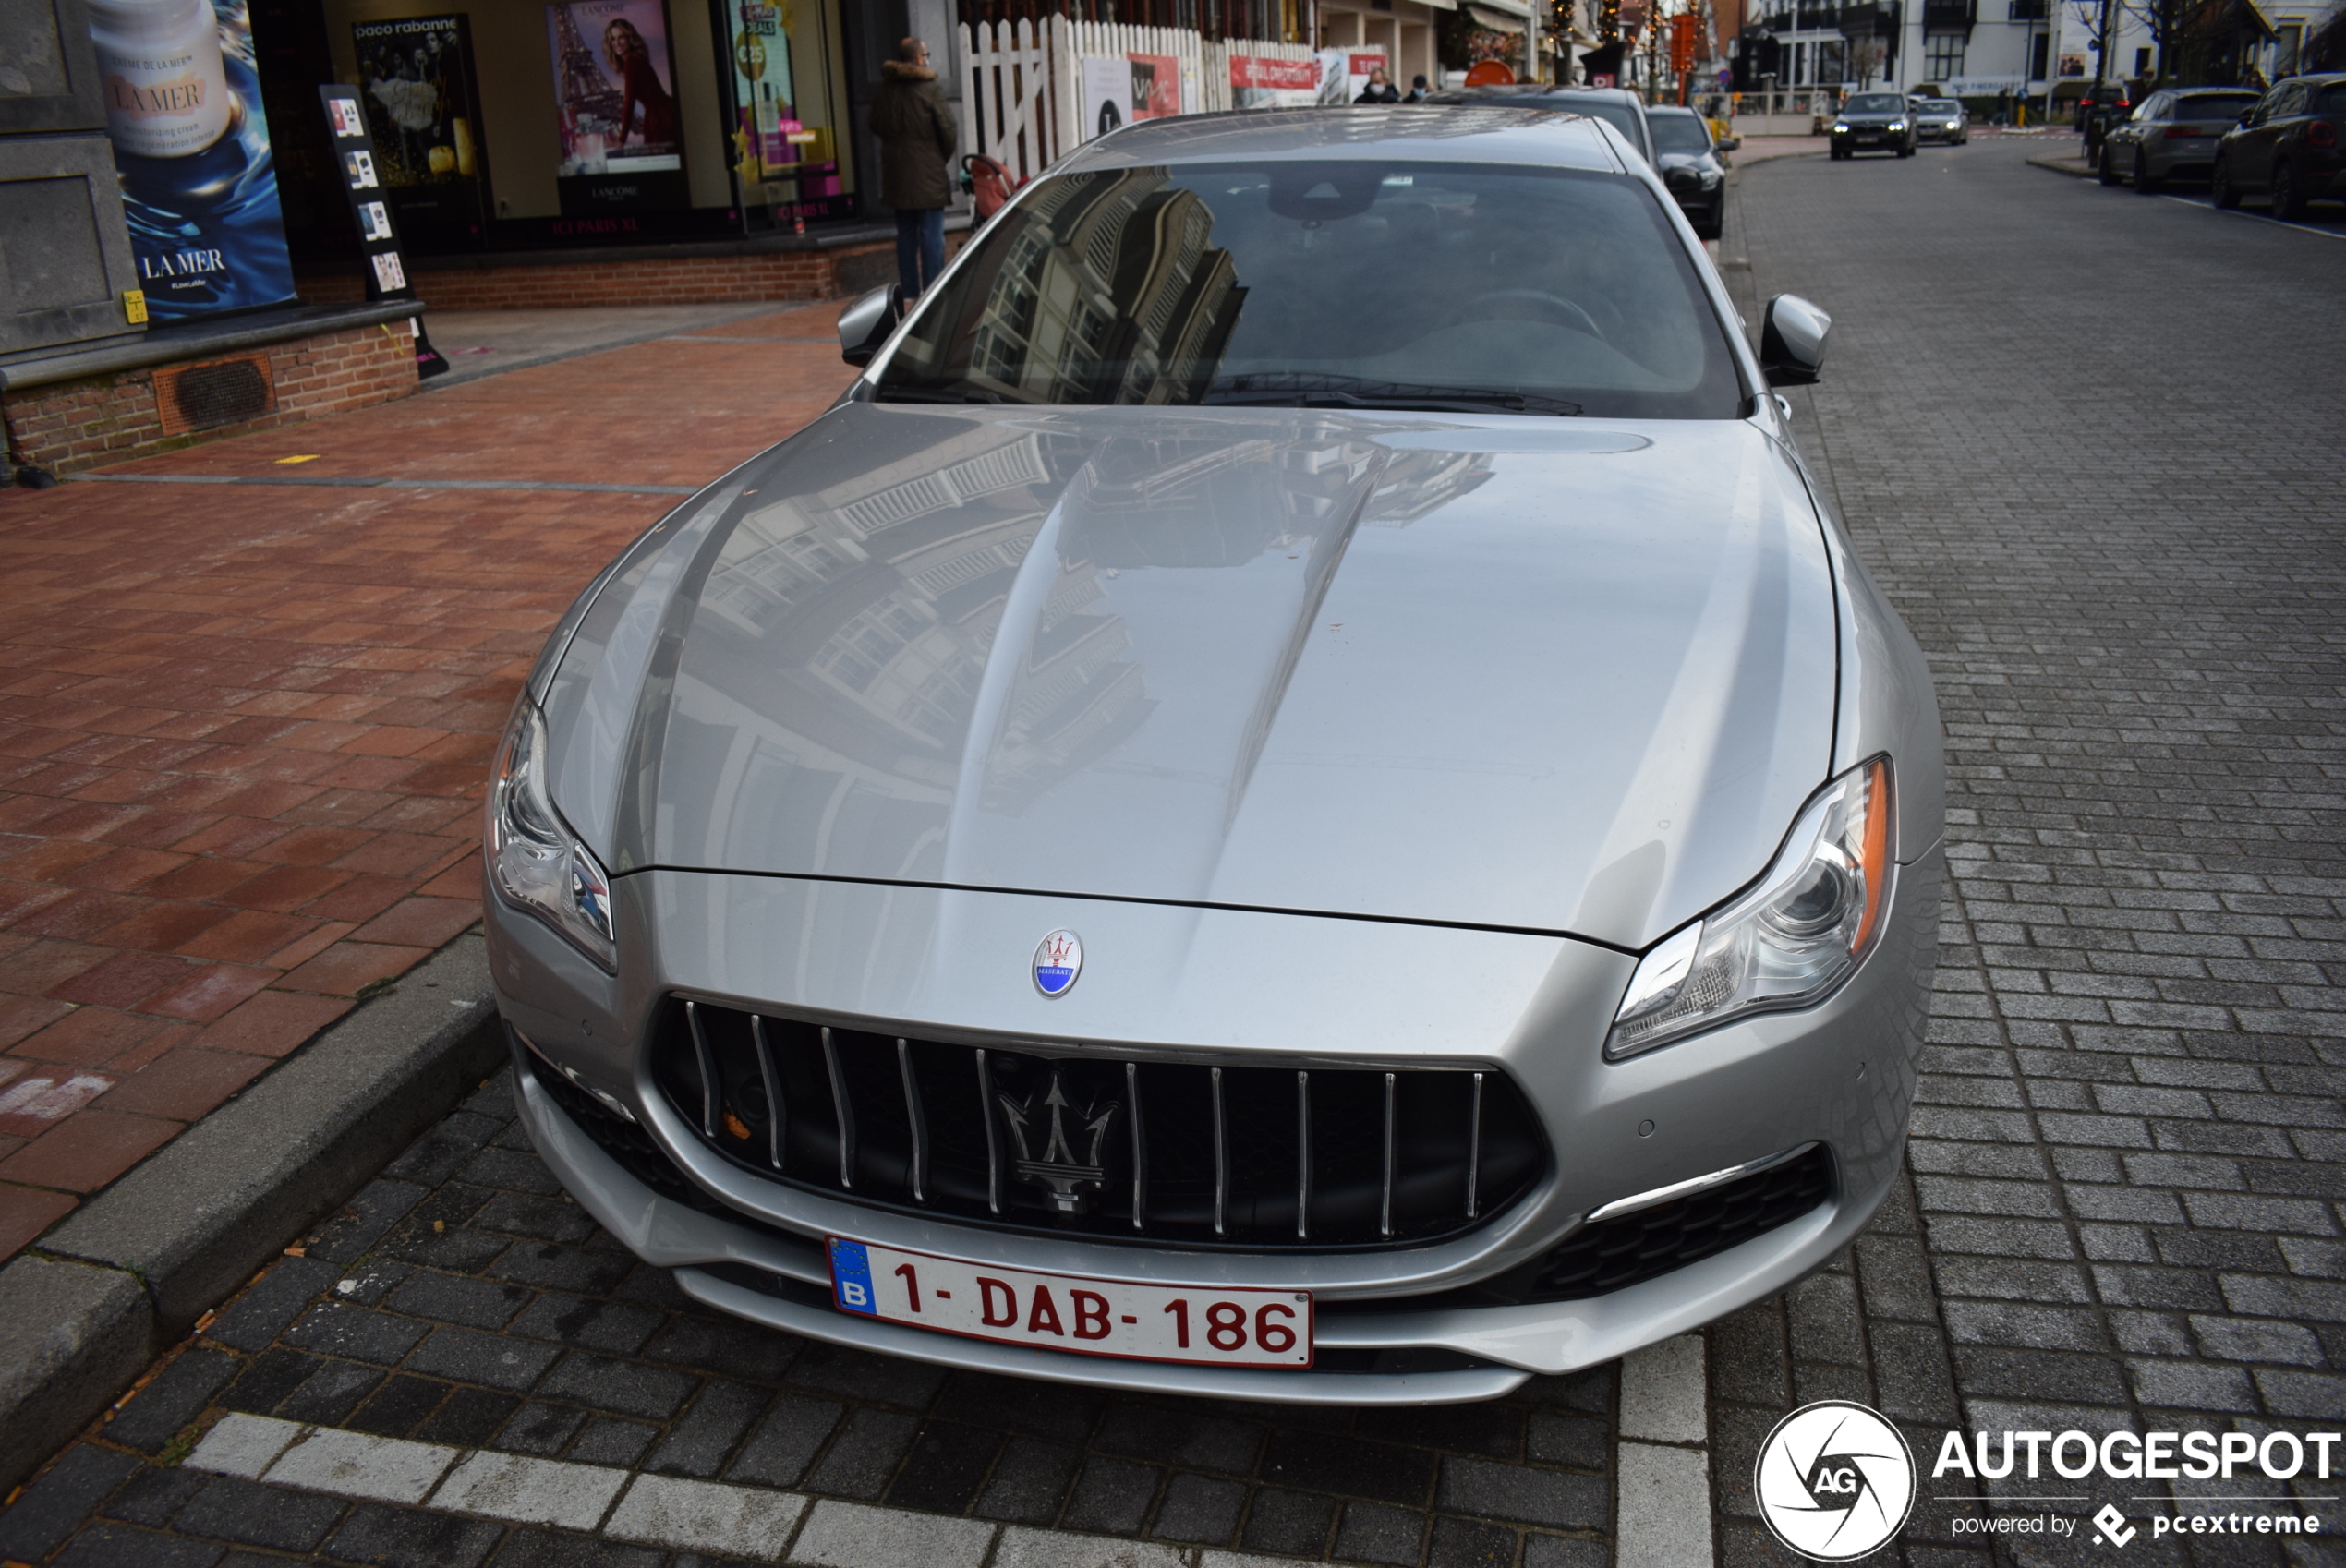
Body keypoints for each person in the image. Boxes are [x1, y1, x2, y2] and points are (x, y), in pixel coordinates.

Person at [872, 36, 957, 306]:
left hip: (896, 171)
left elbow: (874, 123)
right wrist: (936, 157)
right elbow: (949, 129)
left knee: (906, 234)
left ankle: (909, 290)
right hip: (928, 171)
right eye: (925, 54)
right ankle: (932, 291)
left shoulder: (886, 89)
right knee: (932, 235)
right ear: (918, 58)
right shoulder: (929, 87)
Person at [603, 18, 678, 152]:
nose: (616, 43)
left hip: (660, 118)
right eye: (613, 39)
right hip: (662, 115)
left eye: (621, 37)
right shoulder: (634, 59)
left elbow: (629, 102)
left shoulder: (631, 61)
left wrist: (621, 139)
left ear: (630, 39)